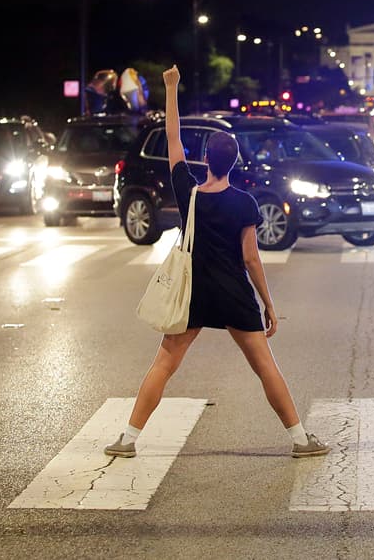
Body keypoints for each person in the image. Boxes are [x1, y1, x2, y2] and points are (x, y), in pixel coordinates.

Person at [104, 65, 328, 459]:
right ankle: (299, 440)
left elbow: (173, 137)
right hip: (234, 293)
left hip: (194, 293)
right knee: (265, 367)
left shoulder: (188, 192)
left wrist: (171, 88)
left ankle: (128, 439)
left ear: (206, 159)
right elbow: (251, 259)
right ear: (234, 162)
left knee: (164, 363)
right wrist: (268, 303)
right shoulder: (244, 203)